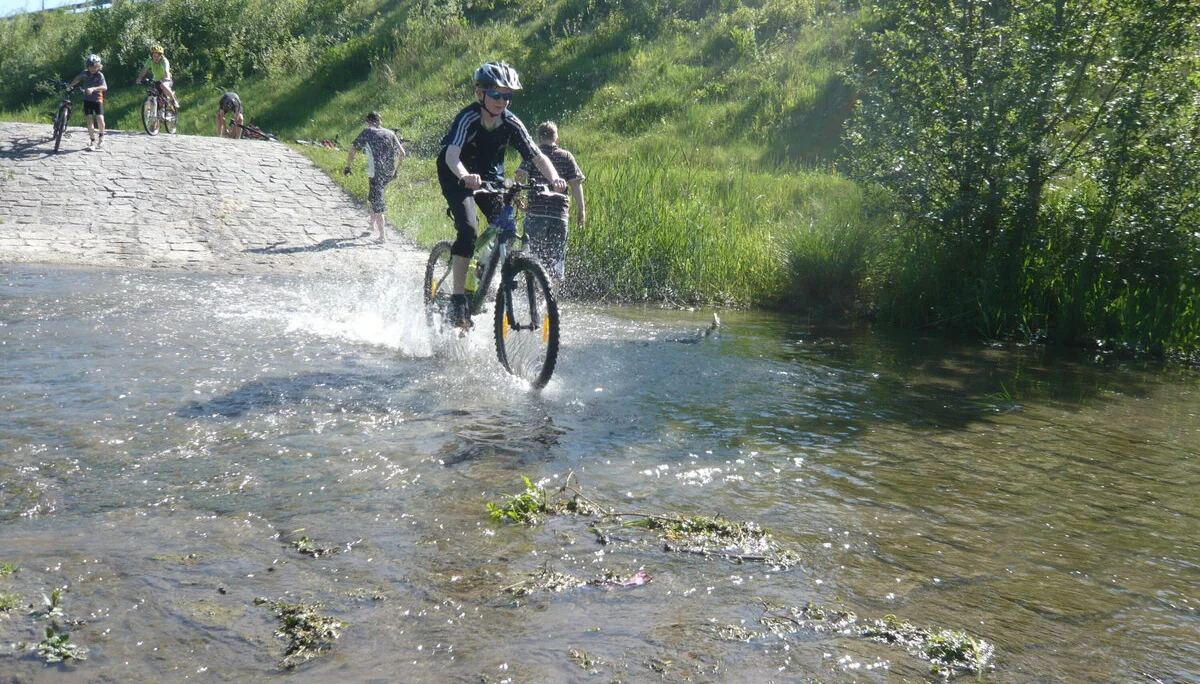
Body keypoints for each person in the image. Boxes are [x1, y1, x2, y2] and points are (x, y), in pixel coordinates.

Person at [436, 61, 567, 328]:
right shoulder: (468, 118)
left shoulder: (511, 122)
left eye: (507, 95)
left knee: (505, 227)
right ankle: (458, 299)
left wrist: (554, 178)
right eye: (496, 94)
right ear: (480, 93)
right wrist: (464, 176)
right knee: (469, 230)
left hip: (491, 178)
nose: (502, 101)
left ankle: (484, 273)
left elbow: (537, 155)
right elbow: (451, 155)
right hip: (457, 176)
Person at [514, 121, 585, 284]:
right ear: (556, 139)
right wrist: (581, 210)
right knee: (555, 263)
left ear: (538, 139)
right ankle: (550, 303)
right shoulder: (567, 156)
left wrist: (517, 197)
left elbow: (519, 177)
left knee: (533, 259)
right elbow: (575, 184)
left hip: (535, 215)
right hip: (559, 216)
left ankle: (533, 297)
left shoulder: (533, 154)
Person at [344, 111, 406, 243]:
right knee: (373, 197)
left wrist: (348, 167)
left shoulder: (367, 132)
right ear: (380, 121)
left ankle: (382, 236)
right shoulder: (390, 133)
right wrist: (396, 170)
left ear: (368, 122)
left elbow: (352, 151)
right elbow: (402, 153)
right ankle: (371, 226)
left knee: (378, 203)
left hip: (375, 173)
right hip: (389, 173)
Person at [68, 54, 107, 151]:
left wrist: (93, 89)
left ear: (98, 67)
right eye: (91, 67)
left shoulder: (100, 75)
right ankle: (92, 141)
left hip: (98, 99)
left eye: (95, 67)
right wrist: (70, 86)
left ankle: (101, 136)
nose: (93, 69)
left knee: (100, 119)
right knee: (89, 120)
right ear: (88, 66)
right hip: (87, 100)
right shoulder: (85, 73)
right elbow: (77, 79)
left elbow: (105, 87)